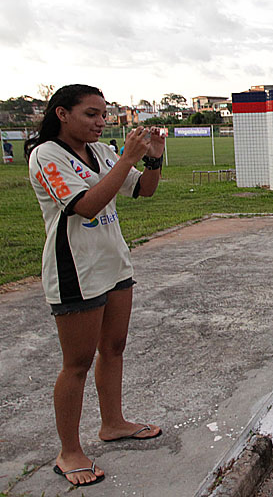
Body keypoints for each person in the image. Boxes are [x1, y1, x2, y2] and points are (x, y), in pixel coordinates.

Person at [25, 84, 165, 488]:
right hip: (77, 269)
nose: (101, 122)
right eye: (91, 114)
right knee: (77, 363)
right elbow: (85, 205)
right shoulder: (47, 155)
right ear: (62, 114)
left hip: (113, 262)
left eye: (104, 114)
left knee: (114, 348)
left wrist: (153, 158)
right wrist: (127, 158)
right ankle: (69, 451)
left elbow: (144, 189)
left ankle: (113, 423)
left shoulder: (102, 152)